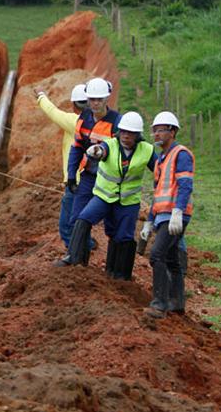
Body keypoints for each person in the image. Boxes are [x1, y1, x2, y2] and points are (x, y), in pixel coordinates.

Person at [58, 111, 154, 280]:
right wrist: (96, 151)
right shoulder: (110, 145)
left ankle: (119, 275)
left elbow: (159, 170)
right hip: (104, 196)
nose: (125, 136)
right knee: (84, 218)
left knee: (123, 236)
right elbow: (102, 150)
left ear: (138, 135)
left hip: (128, 202)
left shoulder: (147, 150)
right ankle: (74, 258)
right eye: (123, 132)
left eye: (130, 133)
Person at [55, 76, 119, 266]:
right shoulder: (84, 118)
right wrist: (72, 174)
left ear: (107, 99)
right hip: (89, 176)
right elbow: (76, 147)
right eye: (92, 99)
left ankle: (115, 266)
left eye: (99, 99)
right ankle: (76, 259)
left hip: (109, 181)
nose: (95, 103)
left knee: (114, 223)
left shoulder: (116, 121)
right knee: (77, 217)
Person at [141, 111, 194, 318]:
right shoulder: (161, 159)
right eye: (154, 131)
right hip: (163, 215)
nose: (156, 134)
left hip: (174, 216)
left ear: (172, 131)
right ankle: (177, 303)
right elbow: (158, 193)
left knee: (157, 255)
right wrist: (149, 221)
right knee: (171, 260)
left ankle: (159, 304)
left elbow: (185, 185)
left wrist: (178, 212)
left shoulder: (181, 154)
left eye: (160, 130)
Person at [33, 82, 88, 249]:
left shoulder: (75, 122)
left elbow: (52, 112)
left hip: (76, 182)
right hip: (90, 181)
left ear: (73, 104)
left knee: (67, 226)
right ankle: (86, 247)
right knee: (81, 220)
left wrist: (41, 95)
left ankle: (76, 255)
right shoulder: (96, 124)